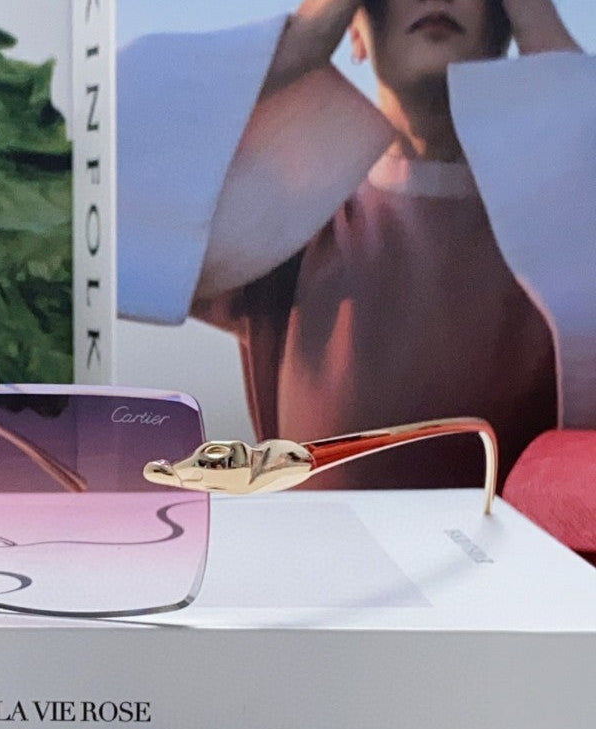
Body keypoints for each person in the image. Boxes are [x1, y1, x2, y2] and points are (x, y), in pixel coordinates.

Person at [117, 0, 595, 490]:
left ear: (505, 21)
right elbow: (100, 188)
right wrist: (299, 42)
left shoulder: (567, 225)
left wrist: (545, 35)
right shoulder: (288, 221)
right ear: (355, 31)